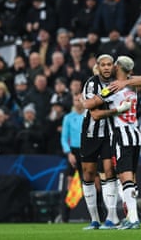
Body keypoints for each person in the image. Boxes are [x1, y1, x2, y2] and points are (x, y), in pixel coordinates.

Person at [79, 54, 141, 230]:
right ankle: (129, 217)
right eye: (104, 65)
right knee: (129, 177)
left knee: (123, 176)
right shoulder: (134, 86)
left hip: (119, 135)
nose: (109, 68)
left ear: (117, 67)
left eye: (112, 65)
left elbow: (92, 107)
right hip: (135, 135)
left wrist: (85, 102)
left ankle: (130, 219)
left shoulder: (113, 88)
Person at [60, 93, 84, 222]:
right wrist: (69, 153)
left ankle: (99, 215)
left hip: (87, 152)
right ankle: (65, 217)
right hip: (74, 152)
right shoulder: (68, 118)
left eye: (80, 99)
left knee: (94, 183)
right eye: (76, 100)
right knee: (69, 184)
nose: (78, 102)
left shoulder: (89, 116)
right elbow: (64, 138)